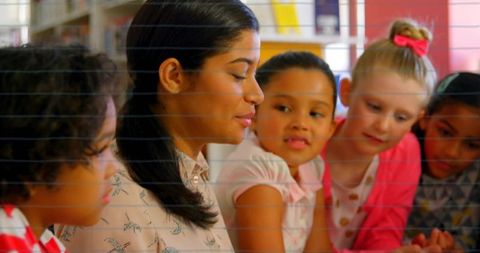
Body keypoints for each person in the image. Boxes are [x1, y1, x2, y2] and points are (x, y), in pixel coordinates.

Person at [57, 0, 264, 252]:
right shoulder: (111, 198)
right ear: (174, 76)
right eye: (239, 74)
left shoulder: (190, 170)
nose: (257, 94)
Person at [321, 19, 437, 252]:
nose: (383, 126)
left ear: (418, 119)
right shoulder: (308, 144)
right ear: (346, 92)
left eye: (401, 118)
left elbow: (386, 231)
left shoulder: (405, 151)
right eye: (374, 106)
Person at [0, 45, 119, 252]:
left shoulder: (42, 240)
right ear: (35, 163)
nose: (113, 168)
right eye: (100, 150)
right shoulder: (7, 240)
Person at [216, 51, 336, 253]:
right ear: (254, 115)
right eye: (284, 108)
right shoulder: (258, 167)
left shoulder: (311, 166)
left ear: (330, 129)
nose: (301, 124)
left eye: (315, 113)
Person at [406, 72, 480, 252]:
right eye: (445, 133)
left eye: (471, 145)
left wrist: (453, 249)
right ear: (425, 118)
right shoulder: (397, 159)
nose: (452, 152)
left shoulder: (476, 177)